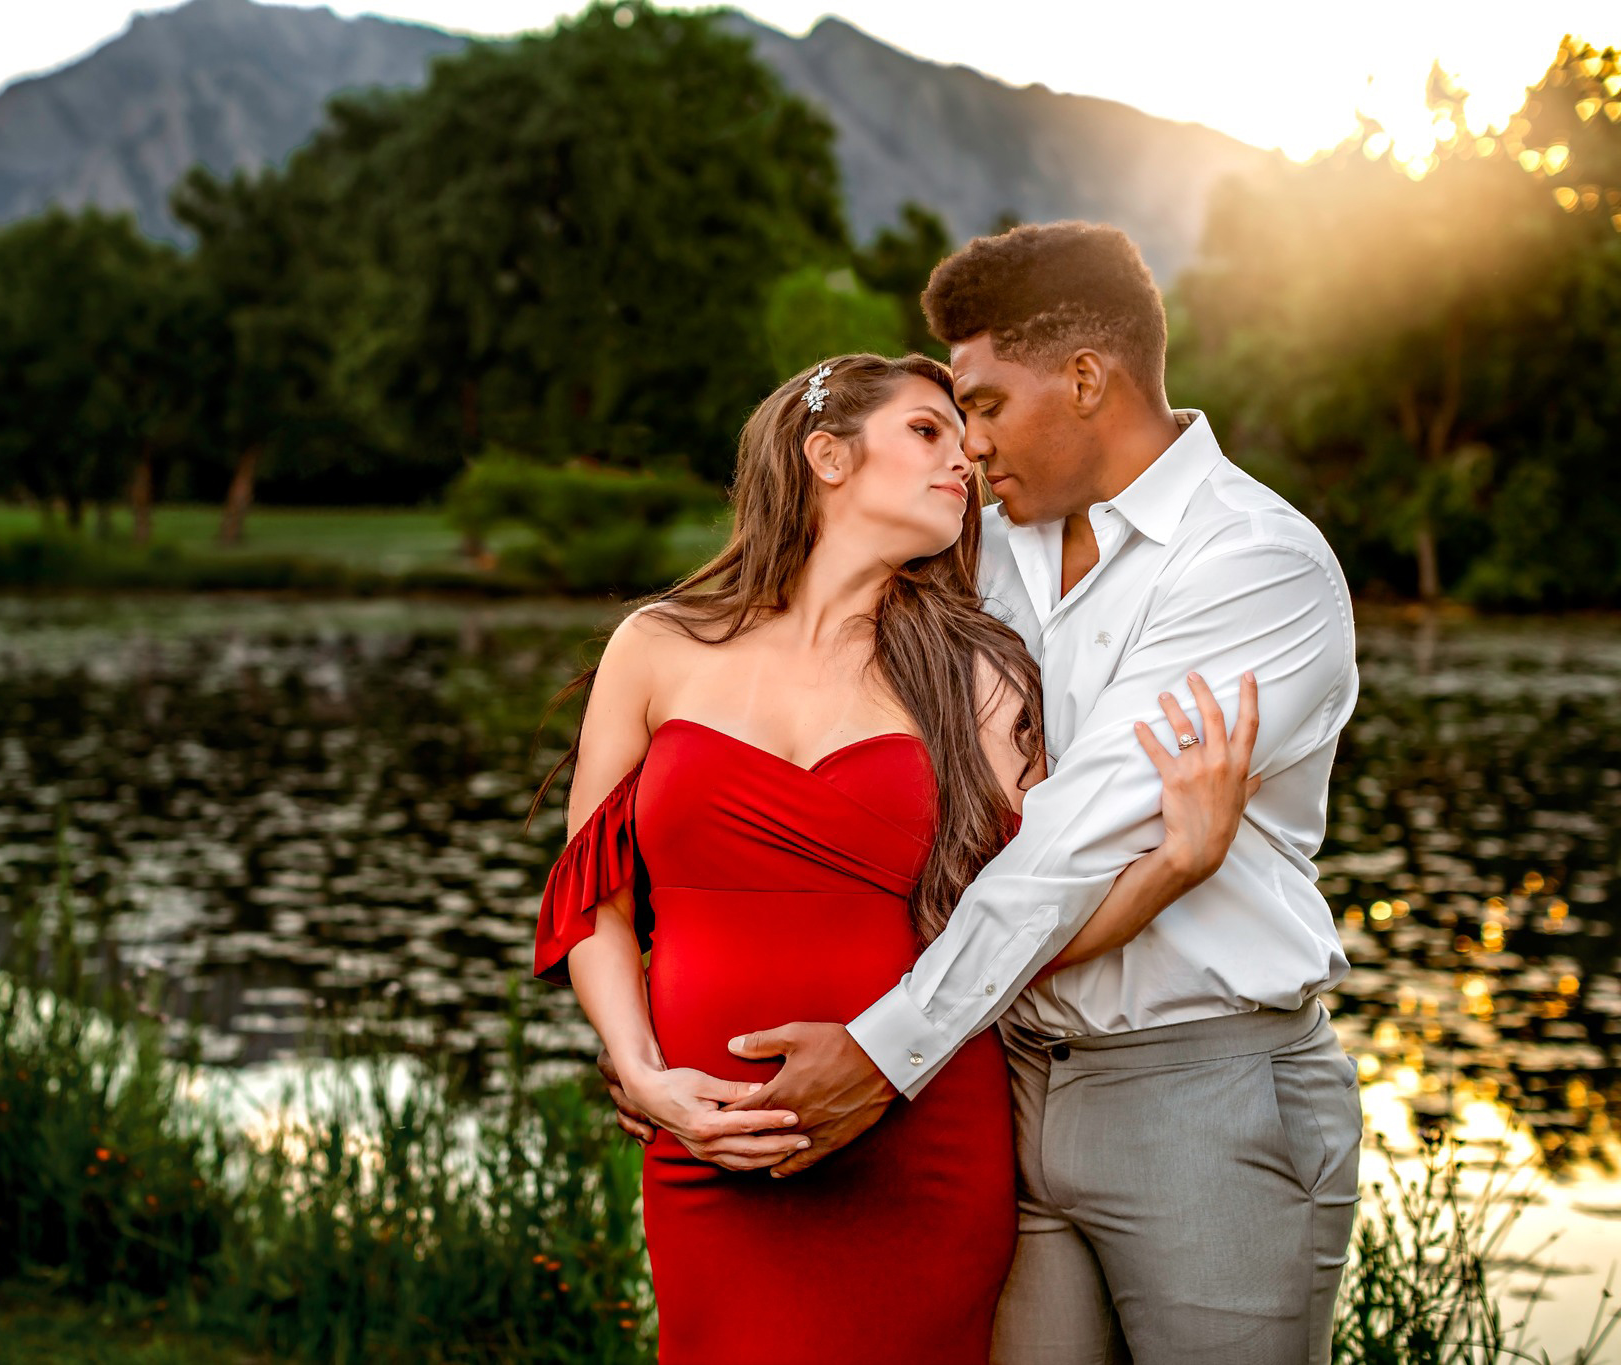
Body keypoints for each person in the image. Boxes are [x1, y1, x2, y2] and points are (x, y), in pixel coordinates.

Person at [685, 222, 1366, 1365]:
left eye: (984, 405)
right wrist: (668, 1046)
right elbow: (817, 756)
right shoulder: (984, 550)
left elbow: (1063, 846)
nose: (968, 444)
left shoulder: (1252, 565)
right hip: (1001, 1086)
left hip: (1198, 1089)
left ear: (1087, 378)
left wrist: (879, 1055)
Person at [533, 348, 1262, 1363]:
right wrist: (643, 1073)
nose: (962, 456)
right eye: (926, 431)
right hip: (708, 1150)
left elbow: (1021, 929)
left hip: (916, 1151)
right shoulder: (655, 647)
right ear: (824, 455)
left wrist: (1175, 865)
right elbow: (592, 899)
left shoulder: (978, 674)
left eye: (961, 436)